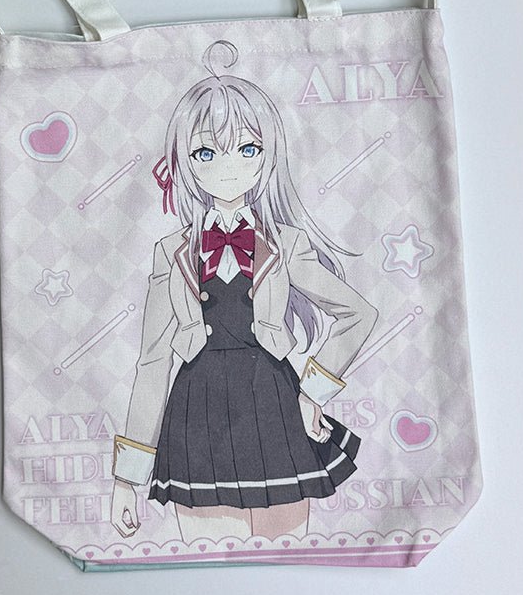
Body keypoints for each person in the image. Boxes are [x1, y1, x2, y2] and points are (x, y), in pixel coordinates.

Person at [110, 40, 379, 544]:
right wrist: (127, 479)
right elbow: (152, 362)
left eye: (248, 149)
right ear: (184, 162)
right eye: (205, 152)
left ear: (269, 155)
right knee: (207, 557)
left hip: (274, 406)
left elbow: (358, 314)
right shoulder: (171, 251)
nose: (228, 167)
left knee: (288, 555)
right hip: (196, 413)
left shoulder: (285, 243)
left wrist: (312, 393)